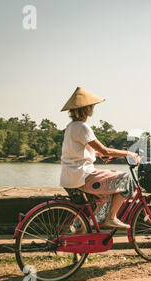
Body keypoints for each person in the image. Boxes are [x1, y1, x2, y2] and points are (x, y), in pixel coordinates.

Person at [60, 87, 140, 229]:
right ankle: (112, 217)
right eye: (91, 106)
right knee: (127, 179)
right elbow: (105, 149)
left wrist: (97, 154)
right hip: (82, 176)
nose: (93, 109)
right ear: (86, 109)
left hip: (69, 177)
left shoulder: (71, 127)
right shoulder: (83, 127)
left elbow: (78, 153)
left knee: (105, 197)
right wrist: (130, 154)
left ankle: (80, 227)